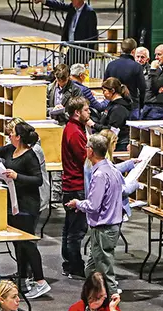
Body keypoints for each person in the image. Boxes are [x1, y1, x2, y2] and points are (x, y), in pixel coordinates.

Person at [0, 121, 50, 299]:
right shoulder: (8, 150)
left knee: (28, 243)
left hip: (28, 205)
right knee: (17, 243)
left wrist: (16, 176)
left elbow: (38, 180)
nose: (9, 135)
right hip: (14, 203)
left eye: (11, 132)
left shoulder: (30, 156)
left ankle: (40, 281)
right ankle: (22, 278)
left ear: (19, 136)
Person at [66, 134, 123, 292]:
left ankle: (111, 302)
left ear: (90, 151)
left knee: (105, 272)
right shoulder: (112, 168)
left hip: (103, 229)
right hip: (110, 226)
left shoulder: (99, 175)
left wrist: (77, 203)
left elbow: (93, 205)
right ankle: (92, 301)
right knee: (90, 271)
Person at [60, 97, 90, 279]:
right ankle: (75, 265)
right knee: (76, 230)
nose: (90, 112)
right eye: (86, 110)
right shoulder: (75, 133)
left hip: (71, 185)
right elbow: (85, 159)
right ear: (77, 112)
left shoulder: (73, 128)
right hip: (77, 186)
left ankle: (68, 263)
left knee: (69, 228)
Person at [32, 0, 98, 64]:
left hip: (82, 50)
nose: (71, 0)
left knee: (78, 72)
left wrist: (89, 54)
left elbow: (92, 35)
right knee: (66, 68)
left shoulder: (89, 12)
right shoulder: (72, 8)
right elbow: (59, 5)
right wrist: (44, 1)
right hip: (72, 48)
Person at [105, 38, 146, 120]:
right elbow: (142, 88)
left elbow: (105, 84)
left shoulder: (111, 65)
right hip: (131, 104)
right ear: (134, 51)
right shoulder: (137, 66)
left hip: (114, 104)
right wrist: (141, 105)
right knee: (132, 131)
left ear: (121, 49)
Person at [88, 77, 131, 152]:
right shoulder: (112, 103)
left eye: (104, 91)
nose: (103, 93)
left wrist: (94, 125)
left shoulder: (119, 109)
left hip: (118, 144)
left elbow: (112, 130)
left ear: (113, 91)